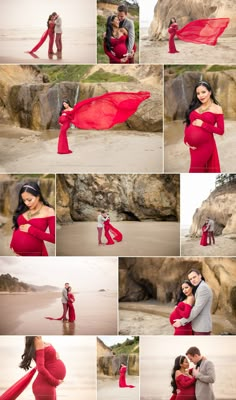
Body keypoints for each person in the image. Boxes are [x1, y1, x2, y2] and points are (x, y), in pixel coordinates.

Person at [56, 91, 150, 154]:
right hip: (63, 124)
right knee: (62, 136)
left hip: (66, 125)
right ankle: (62, 150)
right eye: (63, 104)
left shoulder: (73, 109)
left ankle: (63, 150)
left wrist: (95, 99)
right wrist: (61, 121)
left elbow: (78, 110)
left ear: (68, 103)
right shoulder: (64, 110)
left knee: (63, 136)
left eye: (66, 103)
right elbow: (62, 117)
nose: (65, 105)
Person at [0, 336, 65, 400]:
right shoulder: (37, 341)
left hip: (47, 385)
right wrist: (55, 382)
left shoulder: (39, 340)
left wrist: (53, 356)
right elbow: (40, 368)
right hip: (44, 385)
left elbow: (43, 360)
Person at [184, 80, 224, 172]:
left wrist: (203, 124)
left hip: (206, 145)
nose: (200, 95)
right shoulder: (195, 106)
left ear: (210, 92)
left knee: (194, 170)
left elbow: (221, 130)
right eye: (198, 93)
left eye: (203, 92)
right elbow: (188, 123)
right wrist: (186, 140)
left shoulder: (217, 109)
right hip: (193, 148)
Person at [10, 182, 55, 256]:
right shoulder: (24, 209)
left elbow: (54, 239)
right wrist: (13, 244)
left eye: (29, 200)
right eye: (24, 200)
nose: (26, 203)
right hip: (18, 255)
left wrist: (31, 229)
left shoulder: (49, 211)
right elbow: (17, 227)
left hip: (35, 256)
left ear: (38, 196)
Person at [173, 269, 212, 335]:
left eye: (194, 277)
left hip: (201, 327)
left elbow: (196, 309)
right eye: (190, 279)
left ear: (200, 276)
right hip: (197, 326)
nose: (192, 280)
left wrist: (181, 322)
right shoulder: (199, 287)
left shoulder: (203, 288)